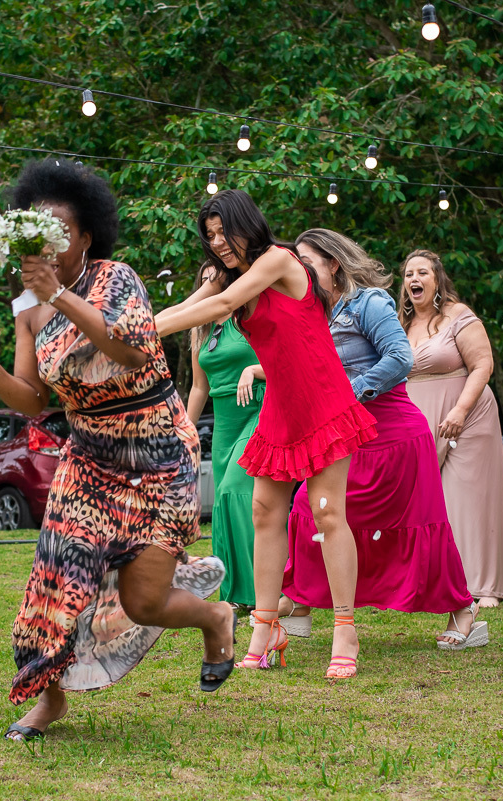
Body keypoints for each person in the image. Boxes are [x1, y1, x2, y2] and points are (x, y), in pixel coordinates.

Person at [0, 160, 235, 741]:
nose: (46, 245)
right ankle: (48, 698)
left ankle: (214, 617)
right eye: (36, 233)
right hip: (89, 458)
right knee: (52, 580)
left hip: (157, 451)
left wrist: (57, 294)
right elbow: (32, 401)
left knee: (145, 600)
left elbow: (130, 351)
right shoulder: (27, 309)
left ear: (85, 237)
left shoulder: (117, 280)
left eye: (59, 232)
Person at [155, 190, 378, 679]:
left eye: (223, 232)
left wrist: (141, 332)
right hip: (281, 407)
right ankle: (265, 625)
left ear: (247, 224)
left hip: (323, 400)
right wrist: (130, 329)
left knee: (328, 514)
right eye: (209, 237)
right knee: (263, 513)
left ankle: (345, 628)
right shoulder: (234, 276)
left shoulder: (279, 260)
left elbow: (225, 303)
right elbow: (196, 302)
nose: (217, 243)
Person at [279, 229, 485, 650]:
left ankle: (465, 611)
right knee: (308, 508)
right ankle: (301, 602)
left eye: (307, 261)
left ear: (333, 263)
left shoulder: (367, 302)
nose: (297, 270)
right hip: (345, 437)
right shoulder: (313, 311)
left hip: (393, 435)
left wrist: (348, 393)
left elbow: (400, 358)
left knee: (416, 526)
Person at [400, 251, 503, 607]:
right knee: (429, 502)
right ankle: (436, 581)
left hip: (467, 415)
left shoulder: (458, 315)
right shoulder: (401, 325)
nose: (414, 279)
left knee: (466, 499)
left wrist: (459, 410)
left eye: (422, 272)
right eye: (409, 274)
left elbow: (482, 364)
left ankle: (483, 586)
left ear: (437, 279)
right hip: (421, 421)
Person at [186, 262, 264, 612]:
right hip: (224, 421)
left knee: (236, 490)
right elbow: (199, 387)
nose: (207, 284)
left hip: (258, 407)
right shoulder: (201, 332)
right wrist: (187, 431)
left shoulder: (249, 316)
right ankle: (233, 595)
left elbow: (282, 357)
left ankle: (258, 590)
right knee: (221, 502)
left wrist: (255, 371)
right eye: (202, 279)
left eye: (213, 278)